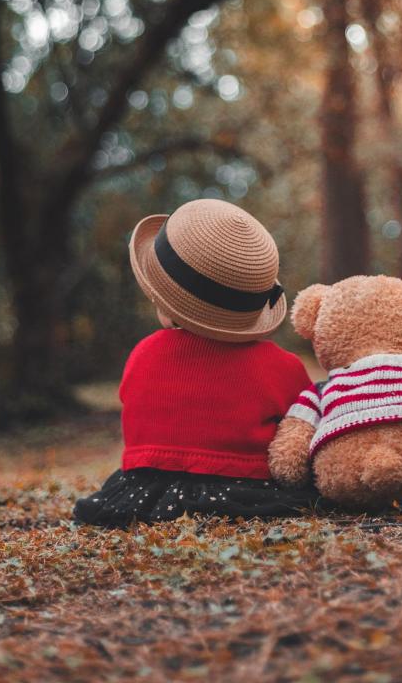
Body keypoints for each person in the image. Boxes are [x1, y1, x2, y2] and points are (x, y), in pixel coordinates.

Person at [73, 198, 320, 526]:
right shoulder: (284, 368)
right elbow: (303, 433)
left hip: (146, 491)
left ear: (161, 296)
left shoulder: (143, 354)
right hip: (247, 491)